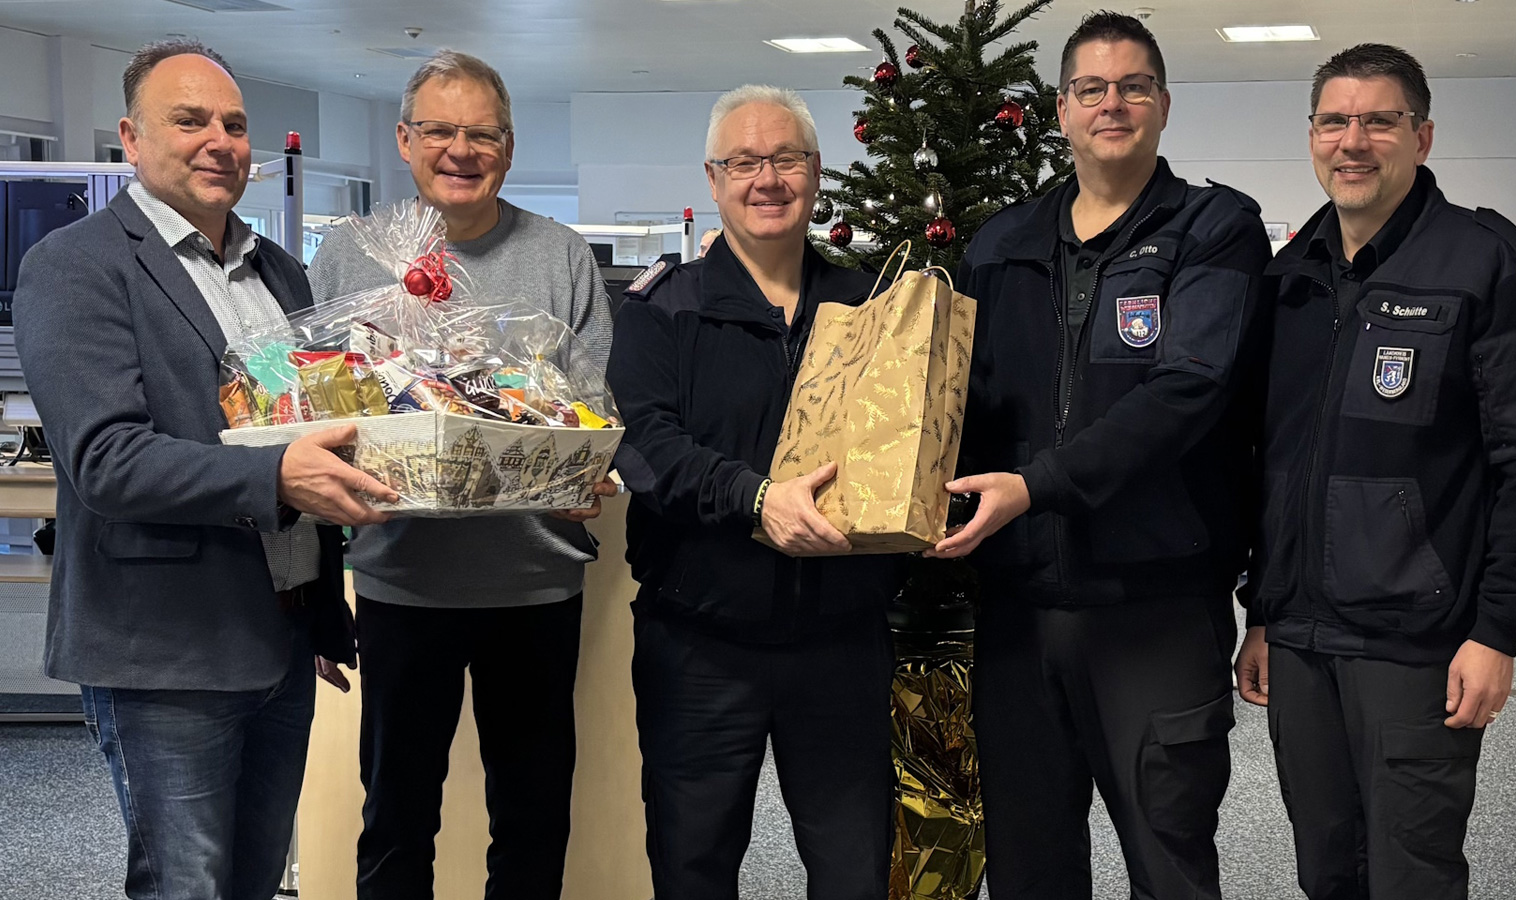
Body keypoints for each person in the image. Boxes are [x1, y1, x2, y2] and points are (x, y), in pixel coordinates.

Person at [11, 39, 396, 900]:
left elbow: (309, 430)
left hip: (283, 639)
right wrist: (275, 481)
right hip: (165, 653)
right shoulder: (77, 266)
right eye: (190, 120)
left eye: (234, 123)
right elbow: (106, 460)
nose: (219, 140)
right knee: (186, 887)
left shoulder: (283, 275)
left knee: (254, 881)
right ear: (131, 137)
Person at [1234, 43, 1516, 899]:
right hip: (1303, 640)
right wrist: (1263, 612)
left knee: (1411, 872)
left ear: (1421, 137)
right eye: (1335, 121)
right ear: (1312, 136)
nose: (1354, 140)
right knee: (1325, 867)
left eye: (1379, 120)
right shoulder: (1288, 281)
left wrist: (1500, 629)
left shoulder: (1482, 263)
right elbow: (1270, 463)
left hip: (1418, 640)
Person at [937, 11, 1271, 899]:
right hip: (1018, 610)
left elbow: (1186, 394)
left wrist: (1035, 486)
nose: (1111, 104)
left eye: (1132, 87)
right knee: (1030, 863)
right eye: (1091, 88)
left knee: (1169, 861)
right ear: (1061, 108)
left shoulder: (1216, 229)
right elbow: (954, 402)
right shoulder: (1000, 244)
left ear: (1163, 105)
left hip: (1154, 607)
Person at [304, 50, 614, 900]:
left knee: (534, 817)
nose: (460, 150)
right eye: (439, 130)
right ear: (404, 141)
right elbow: (317, 419)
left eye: (481, 134)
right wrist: (315, 581)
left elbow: (594, 407)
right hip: (403, 584)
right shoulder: (350, 259)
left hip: (536, 584)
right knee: (397, 820)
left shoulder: (560, 256)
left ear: (508, 149)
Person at [607, 84, 900, 900]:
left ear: (814, 172)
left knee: (854, 872)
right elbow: (648, 448)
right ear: (713, 178)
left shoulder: (870, 304)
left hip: (842, 639)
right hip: (701, 644)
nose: (766, 179)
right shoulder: (664, 310)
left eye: (786, 159)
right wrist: (755, 497)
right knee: (693, 868)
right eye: (744, 161)